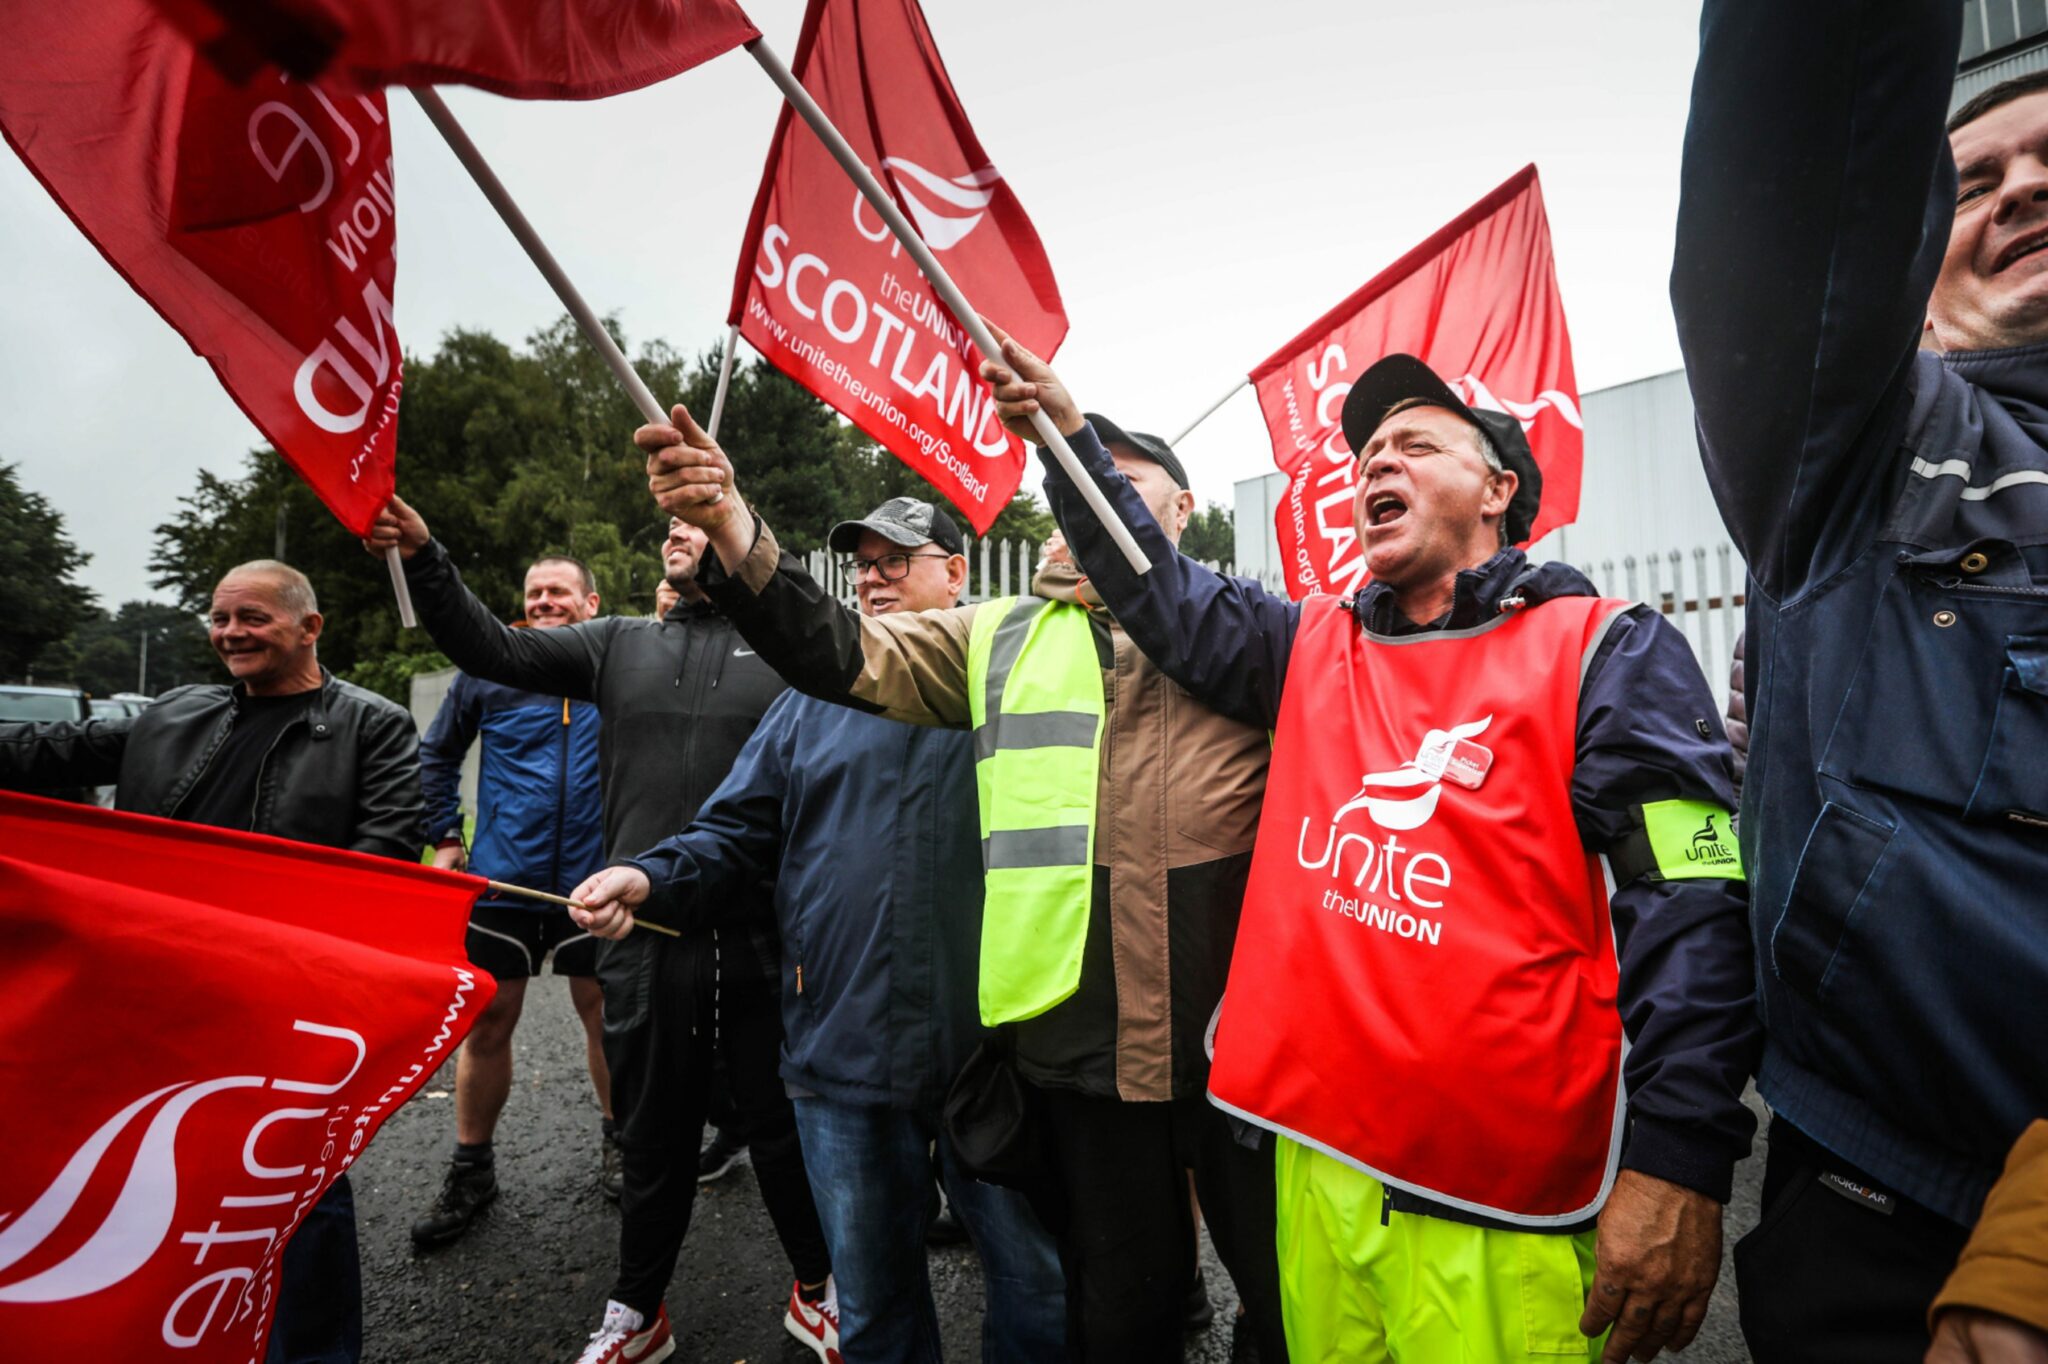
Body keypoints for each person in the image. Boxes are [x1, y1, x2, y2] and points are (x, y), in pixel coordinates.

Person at [967, 340, 1761, 1364]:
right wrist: (1067, 442)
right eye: (1366, 452)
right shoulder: (1305, 643)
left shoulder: (1605, 646)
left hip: (1496, 1212)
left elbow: (1692, 905)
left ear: (1497, 487)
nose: (1373, 462)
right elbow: (1157, 589)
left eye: (1415, 443)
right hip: (1316, 1179)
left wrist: (1679, 1164)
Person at [632, 406, 1288, 1363]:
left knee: (1283, 1311)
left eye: (1118, 485)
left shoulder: (1258, 639)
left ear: (1182, 511)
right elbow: (832, 649)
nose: (1090, 506)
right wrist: (733, 522)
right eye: (1069, 488)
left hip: (1247, 1059)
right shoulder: (999, 638)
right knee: (1118, 1317)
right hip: (1079, 1058)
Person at [1673, 4, 2048, 1357]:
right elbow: (1807, 124)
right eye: (1980, 177)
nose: (2026, 189)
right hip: (1878, 1211)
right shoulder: (1865, 448)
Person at [571, 496, 1067, 1364]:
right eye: (863, 564)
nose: (872, 578)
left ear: (955, 572)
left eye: (896, 559)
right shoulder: (810, 699)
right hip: (843, 1055)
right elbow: (731, 832)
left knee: (1036, 1291)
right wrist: (650, 877)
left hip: (996, 1058)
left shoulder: (1018, 680)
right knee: (870, 1305)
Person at [364, 505, 837, 1364]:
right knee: (652, 1134)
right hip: (643, 927)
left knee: (778, 1128)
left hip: (767, 928)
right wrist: (430, 558)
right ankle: (637, 1313)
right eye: (671, 527)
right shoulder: (617, 642)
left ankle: (818, 1290)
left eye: (701, 523)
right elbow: (491, 651)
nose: (676, 532)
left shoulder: (790, 650)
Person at [0, 559, 421, 1364]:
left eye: (253, 618)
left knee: (290, 1189)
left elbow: (387, 863)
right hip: (158, 992)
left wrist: (295, 957)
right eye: (222, 617)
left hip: (283, 1003)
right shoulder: (172, 712)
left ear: (310, 627)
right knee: (153, 1176)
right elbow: (45, 750)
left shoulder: (372, 724)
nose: (232, 633)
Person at [410, 553, 615, 1248]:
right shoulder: (487, 670)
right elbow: (435, 754)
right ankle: (473, 1167)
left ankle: (620, 1147)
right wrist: (444, 836)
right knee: (489, 1020)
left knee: (606, 1016)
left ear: (590, 602)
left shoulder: (614, 667)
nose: (545, 601)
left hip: (595, 875)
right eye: (534, 592)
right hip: (503, 877)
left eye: (559, 591)